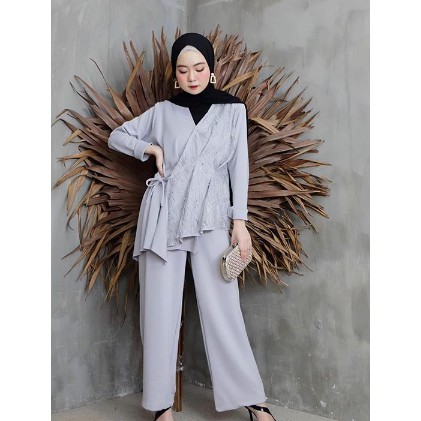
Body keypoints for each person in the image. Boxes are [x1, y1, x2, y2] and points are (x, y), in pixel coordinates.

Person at [108, 32, 276, 421]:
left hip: (213, 216)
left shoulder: (232, 110)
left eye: (199, 68)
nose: (192, 76)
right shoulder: (163, 112)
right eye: (183, 70)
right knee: (159, 311)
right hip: (163, 216)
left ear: (211, 69)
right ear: (175, 74)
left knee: (224, 310)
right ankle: (161, 406)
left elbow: (239, 169)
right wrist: (149, 148)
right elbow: (117, 136)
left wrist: (240, 223)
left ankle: (253, 400)